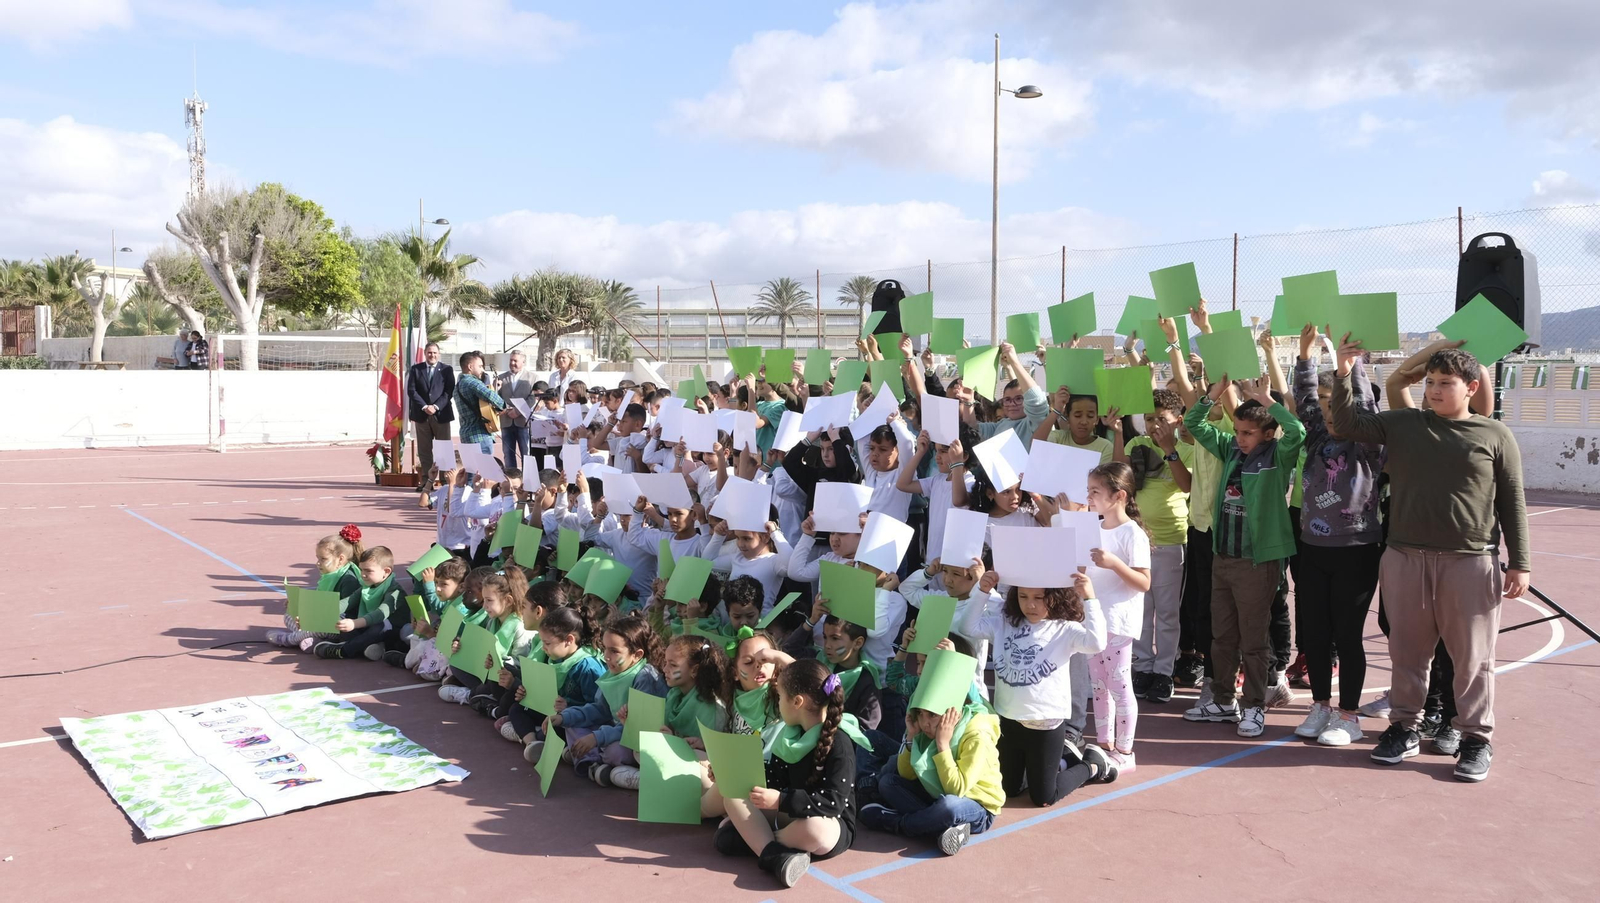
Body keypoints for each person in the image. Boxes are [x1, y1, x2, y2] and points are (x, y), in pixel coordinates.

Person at [1329, 341, 1528, 783]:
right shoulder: (1405, 424)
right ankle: (1404, 728)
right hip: (1405, 557)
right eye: (1432, 383)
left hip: (1470, 561)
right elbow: (1345, 423)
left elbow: (1513, 501)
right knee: (1407, 653)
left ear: (1471, 387)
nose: (1435, 391)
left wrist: (1521, 562)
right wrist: (1344, 372)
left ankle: (1475, 739)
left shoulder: (1495, 435)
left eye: (1445, 384)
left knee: (1472, 658)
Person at [1181, 376, 1306, 739]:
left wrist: (1268, 400)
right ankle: (1223, 700)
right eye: (1238, 431)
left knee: (1253, 640)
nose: (1240, 438)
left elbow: (1295, 431)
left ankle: (1254, 706)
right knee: (1222, 637)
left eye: (1249, 433)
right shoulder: (1229, 449)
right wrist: (1211, 396)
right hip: (1225, 557)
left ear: (1267, 434)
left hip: (1257, 562)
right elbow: (1193, 424)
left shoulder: (1278, 456)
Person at [1288, 325, 1386, 747]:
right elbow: (1305, 398)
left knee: (1348, 634)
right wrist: (1307, 355)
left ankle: (1349, 716)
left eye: (1336, 406)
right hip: (1312, 547)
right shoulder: (1316, 437)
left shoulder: (1367, 443)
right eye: (1325, 407)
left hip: (1355, 550)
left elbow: (1360, 403)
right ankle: (1321, 706)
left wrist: (1350, 367)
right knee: (1316, 633)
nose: (1329, 414)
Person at [957, 568, 1117, 805]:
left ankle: (1092, 765)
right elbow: (967, 628)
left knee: (1043, 797)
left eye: (1038, 598)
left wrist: (1090, 598)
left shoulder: (1065, 628)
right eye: (1023, 596)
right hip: (1008, 720)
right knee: (1008, 790)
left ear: (1055, 597)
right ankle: (1062, 761)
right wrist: (981, 591)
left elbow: (1096, 643)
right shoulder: (1004, 623)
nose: (1030, 604)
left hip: (1046, 724)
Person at [713, 659, 867, 888]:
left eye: (780, 697)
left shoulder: (840, 743)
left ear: (797, 702)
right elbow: (774, 777)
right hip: (788, 815)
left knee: (814, 831)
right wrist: (732, 771)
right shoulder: (788, 735)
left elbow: (833, 802)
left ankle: (762, 844)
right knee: (731, 800)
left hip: (827, 824)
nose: (778, 703)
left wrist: (780, 799)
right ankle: (776, 857)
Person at [1110, 388, 1193, 705]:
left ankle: (1164, 672)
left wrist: (1169, 449)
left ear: (1177, 421)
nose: (1154, 424)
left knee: (1168, 613)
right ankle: (1143, 667)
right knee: (1141, 610)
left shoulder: (1185, 448)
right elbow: (1120, 476)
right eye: (1149, 418)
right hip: (1137, 541)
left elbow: (1187, 485)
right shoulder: (1136, 444)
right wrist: (1119, 432)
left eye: (1162, 418)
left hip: (1171, 539)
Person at [859, 692, 1003, 856]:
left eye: (932, 715)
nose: (925, 722)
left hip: (977, 805)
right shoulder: (926, 730)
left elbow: (956, 790)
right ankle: (939, 828)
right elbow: (906, 775)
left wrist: (943, 744)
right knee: (887, 783)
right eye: (920, 714)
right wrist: (911, 737)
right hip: (937, 794)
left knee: (948, 807)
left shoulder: (977, 736)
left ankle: (897, 823)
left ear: (952, 714)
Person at [1082, 462, 1153, 773]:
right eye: (1089, 491)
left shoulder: (1131, 533)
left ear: (1119, 495)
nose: (1089, 497)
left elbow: (1144, 582)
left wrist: (1112, 563)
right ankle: (1104, 743)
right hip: (1095, 618)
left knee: (1119, 684)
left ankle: (1125, 750)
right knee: (1097, 684)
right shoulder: (1092, 527)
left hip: (1119, 620)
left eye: (1095, 491)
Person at [266, 526, 364, 647]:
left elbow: (346, 612)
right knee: (288, 615)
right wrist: (298, 605)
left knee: (317, 628)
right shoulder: (330, 574)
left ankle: (289, 640)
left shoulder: (349, 579)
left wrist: (312, 616)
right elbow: (320, 600)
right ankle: (313, 640)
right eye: (318, 558)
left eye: (323, 559)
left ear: (341, 559)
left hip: (341, 627)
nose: (318, 563)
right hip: (324, 619)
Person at [956, 342, 1049, 450]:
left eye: (1019, 399)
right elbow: (972, 428)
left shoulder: (1035, 423)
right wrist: (968, 402)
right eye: (1007, 400)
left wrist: (1015, 362)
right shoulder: (1000, 425)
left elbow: (1036, 400)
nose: (1012, 404)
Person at [409, 342, 456, 507]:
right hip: (421, 415)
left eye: (435, 353)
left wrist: (435, 407)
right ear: (425, 354)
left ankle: (445, 479)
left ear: (439, 354)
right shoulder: (416, 369)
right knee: (424, 450)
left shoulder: (446, 369)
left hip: (441, 414)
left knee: (443, 448)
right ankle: (426, 481)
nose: (432, 355)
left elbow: (449, 391)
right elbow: (412, 390)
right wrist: (424, 406)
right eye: (429, 353)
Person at [453, 351, 506, 457]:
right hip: (480, 436)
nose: (482, 369)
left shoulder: (457, 386)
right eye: (480, 366)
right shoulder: (473, 382)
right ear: (470, 367)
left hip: (466, 434)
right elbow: (492, 397)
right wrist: (504, 406)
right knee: (485, 472)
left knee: (470, 471)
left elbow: (480, 405)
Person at [498, 350, 537, 473]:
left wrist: (518, 411)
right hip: (506, 421)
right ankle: (511, 480)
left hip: (523, 422)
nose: (512, 363)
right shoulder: (501, 378)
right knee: (508, 454)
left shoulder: (533, 378)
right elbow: (496, 397)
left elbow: (533, 398)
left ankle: (528, 481)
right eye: (511, 360)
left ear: (523, 362)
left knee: (527, 453)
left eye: (515, 360)